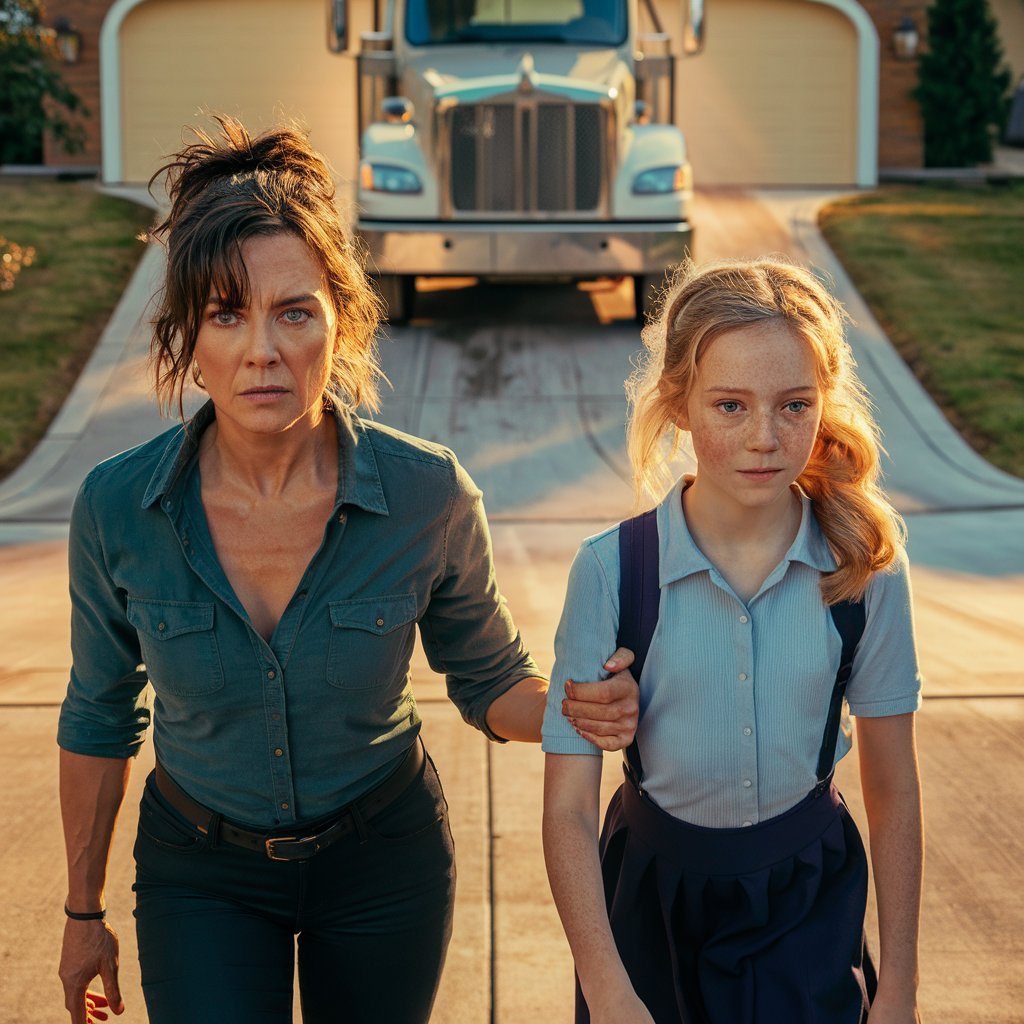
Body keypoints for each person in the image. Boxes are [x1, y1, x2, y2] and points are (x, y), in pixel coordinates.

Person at [56, 116, 639, 1024]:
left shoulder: (426, 493)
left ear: (344, 321)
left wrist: (575, 704)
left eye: (295, 311)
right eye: (226, 314)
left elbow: (487, 680)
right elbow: (99, 709)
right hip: (198, 870)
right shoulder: (116, 508)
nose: (263, 349)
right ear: (188, 341)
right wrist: (82, 911)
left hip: (384, 864)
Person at [542, 257, 924, 1023]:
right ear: (680, 404)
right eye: (729, 405)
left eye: (793, 406)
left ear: (824, 404)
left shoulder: (865, 572)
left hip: (808, 900)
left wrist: (900, 991)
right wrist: (608, 989)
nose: (764, 438)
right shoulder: (612, 572)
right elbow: (568, 813)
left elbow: (893, 792)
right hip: (652, 899)